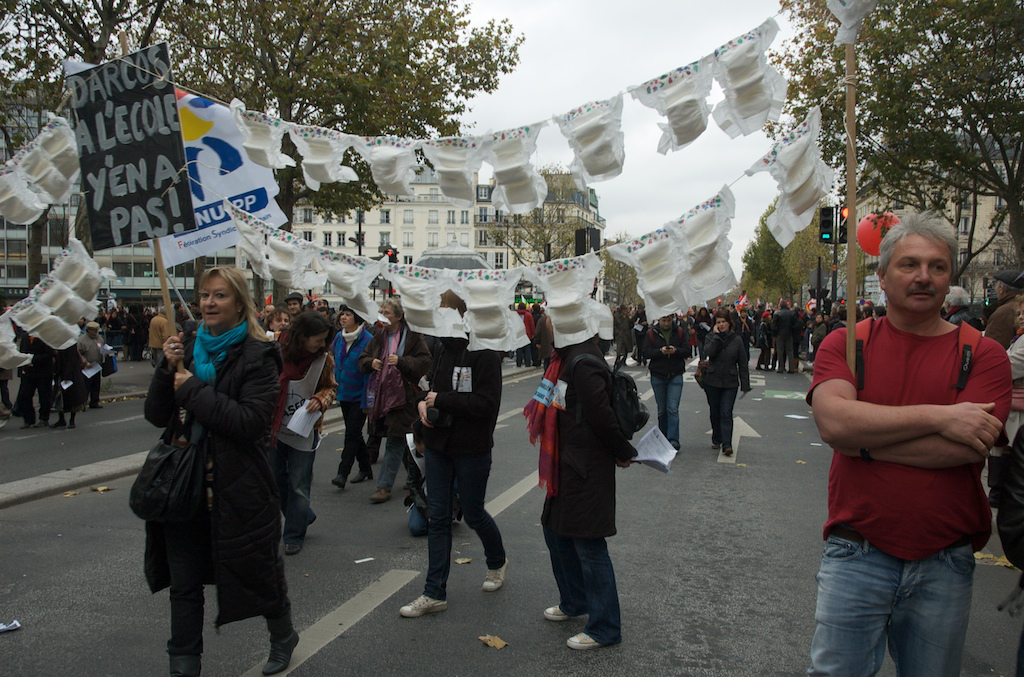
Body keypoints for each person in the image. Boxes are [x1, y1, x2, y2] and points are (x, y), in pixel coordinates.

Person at [805, 212, 1011, 676]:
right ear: (881, 276)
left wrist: (865, 440)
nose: (924, 277)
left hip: (945, 557)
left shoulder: (984, 353)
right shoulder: (846, 344)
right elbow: (836, 424)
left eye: (937, 267)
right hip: (856, 550)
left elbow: (969, 447)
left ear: (949, 278)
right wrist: (941, 417)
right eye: (909, 264)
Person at [143, 266, 299, 677]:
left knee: (258, 573)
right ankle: (184, 665)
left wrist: (190, 387)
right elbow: (157, 415)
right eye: (205, 295)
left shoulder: (260, 353)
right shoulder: (187, 344)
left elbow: (249, 423)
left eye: (220, 296)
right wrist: (166, 369)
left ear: (240, 303)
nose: (209, 303)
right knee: (185, 585)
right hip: (184, 486)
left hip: (238, 486)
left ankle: (283, 634)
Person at [400, 291, 508, 618]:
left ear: (463, 314)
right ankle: (434, 592)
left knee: (473, 513)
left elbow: (487, 405)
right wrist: (421, 401)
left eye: (445, 311)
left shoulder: (485, 351)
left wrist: (440, 400)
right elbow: (427, 386)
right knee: (439, 517)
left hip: (472, 448)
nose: (439, 317)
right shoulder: (443, 349)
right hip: (438, 445)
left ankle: (497, 560)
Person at [540, 335, 637, 650]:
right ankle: (574, 601)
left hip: (584, 467)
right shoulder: (565, 359)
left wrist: (624, 452)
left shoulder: (583, 362)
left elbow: (602, 418)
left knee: (589, 544)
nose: (548, 325)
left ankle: (605, 627)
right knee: (556, 530)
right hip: (567, 464)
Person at [270, 311, 336, 556]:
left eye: (324, 340)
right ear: (302, 336)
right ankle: (303, 514)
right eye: (317, 339)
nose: (321, 344)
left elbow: (331, 387)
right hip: (274, 427)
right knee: (275, 479)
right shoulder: (276, 348)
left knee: (299, 484)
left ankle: (294, 534)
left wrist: (321, 399)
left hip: (305, 429)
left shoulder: (324, 360)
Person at [358, 297, 431, 504]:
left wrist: (401, 361)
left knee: (395, 440)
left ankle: (384, 487)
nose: (382, 314)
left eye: (387, 312)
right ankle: (416, 478)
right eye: (381, 311)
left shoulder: (413, 337)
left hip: (405, 397)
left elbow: (425, 362)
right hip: (382, 396)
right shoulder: (378, 336)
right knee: (403, 441)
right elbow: (362, 359)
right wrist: (370, 362)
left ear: (399, 317)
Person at [330, 305, 374, 489]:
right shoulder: (339, 338)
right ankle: (366, 468)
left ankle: (342, 473)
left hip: (360, 394)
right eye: (343, 314)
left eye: (348, 314)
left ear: (357, 318)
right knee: (354, 432)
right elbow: (332, 358)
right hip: (343, 392)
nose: (343, 317)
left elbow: (370, 370)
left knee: (351, 433)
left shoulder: (368, 339)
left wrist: (369, 397)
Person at [703, 309, 751, 456]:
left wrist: (745, 384)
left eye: (724, 322)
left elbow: (742, 363)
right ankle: (717, 438)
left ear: (729, 323)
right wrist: (716, 337)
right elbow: (709, 352)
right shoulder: (711, 337)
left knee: (726, 412)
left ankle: (727, 444)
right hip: (712, 380)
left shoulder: (736, 339)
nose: (722, 324)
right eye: (718, 322)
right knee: (715, 411)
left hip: (730, 382)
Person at [642, 314, 689, 450]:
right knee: (662, 410)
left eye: (669, 320)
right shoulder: (651, 332)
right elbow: (645, 352)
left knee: (672, 408)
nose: (666, 323)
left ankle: (673, 440)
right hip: (658, 375)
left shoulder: (679, 331)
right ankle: (663, 438)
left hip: (675, 374)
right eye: (664, 320)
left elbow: (687, 350)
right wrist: (660, 351)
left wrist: (676, 351)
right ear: (659, 320)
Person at [16, 328, 56, 428]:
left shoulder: (45, 335)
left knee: (44, 396)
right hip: (28, 372)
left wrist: (32, 359)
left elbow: (49, 354)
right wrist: (22, 368)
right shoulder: (25, 336)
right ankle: (29, 419)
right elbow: (21, 352)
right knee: (25, 395)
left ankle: (44, 418)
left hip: (43, 372)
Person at [52, 344, 87, 429]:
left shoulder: (71, 344)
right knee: (60, 397)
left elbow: (71, 361)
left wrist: (67, 375)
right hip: (61, 373)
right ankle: (61, 419)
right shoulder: (59, 344)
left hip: (71, 375)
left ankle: (72, 420)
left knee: (72, 399)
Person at [987, 270, 1024, 349]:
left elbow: (991, 348)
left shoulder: (1001, 313)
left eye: (995, 285)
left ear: (1001, 288)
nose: (994, 289)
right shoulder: (1017, 306)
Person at [77, 321, 105, 409]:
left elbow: (102, 348)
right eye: (93, 330)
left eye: (96, 330)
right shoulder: (81, 340)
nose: (95, 332)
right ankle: (84, 402)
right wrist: (85, 362)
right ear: (88, 330)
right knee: (86, 385)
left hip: (97, 365)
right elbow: (78, 353)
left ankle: (94, 401)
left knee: (96, 385)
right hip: (87, 366)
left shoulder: (99, 339)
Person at [771, 301, 797, 373]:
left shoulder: (777, 314)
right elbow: (795, 324)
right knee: (790, 351)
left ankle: (781, 367)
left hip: (780, 334)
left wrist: (775, 334)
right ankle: (791, 368)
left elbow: (773, 325)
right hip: (789, 334)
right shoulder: (792, 313)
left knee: (780, 351)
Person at [515, 302, 535, 367]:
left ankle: (519, 363)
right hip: (527, 334)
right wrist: (533, 334)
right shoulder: (528, 315)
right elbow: (532, 325)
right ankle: (527, 363)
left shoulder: (516, 315)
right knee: (527, 349)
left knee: (519, 349)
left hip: (518, 334)